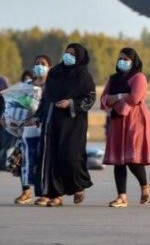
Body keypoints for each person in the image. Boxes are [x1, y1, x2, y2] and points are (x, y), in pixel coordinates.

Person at [101, 47, 150, 208]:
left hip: (135, 121)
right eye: (120, 58)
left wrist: (116, 99)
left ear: (133, 61)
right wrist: (120, 96)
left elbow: (135, 97)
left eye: (126, 59)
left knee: (132, 157)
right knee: (118, 159)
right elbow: (104, 99)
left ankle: (145, 187)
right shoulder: (113, 78)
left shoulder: (139, 77)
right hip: (117, 121)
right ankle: (121, 197)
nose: (122, 61)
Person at [36, 43, 96, 207]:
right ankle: (56, 195)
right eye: (66, 52)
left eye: (73, 54)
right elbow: (46, 96)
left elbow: (90, 98)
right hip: (52, 120)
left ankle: (78, 186)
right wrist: (39, 115)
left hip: (73, 123)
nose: (68, 56)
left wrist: (70, 103)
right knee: (53, 158)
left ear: (80, 58)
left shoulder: (83, 76)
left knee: (71, 157)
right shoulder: (54, 72)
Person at [13, 55, 52, 205]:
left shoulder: (52, 85)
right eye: (37, 63)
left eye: (43, 63)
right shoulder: (27, 86)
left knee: (42, 160)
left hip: (45, 127)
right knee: (23, 158)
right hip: (27, 127)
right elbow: (16, 104)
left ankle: (46, 193)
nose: (39, 66)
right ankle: (25, 191)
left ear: (49, 67)